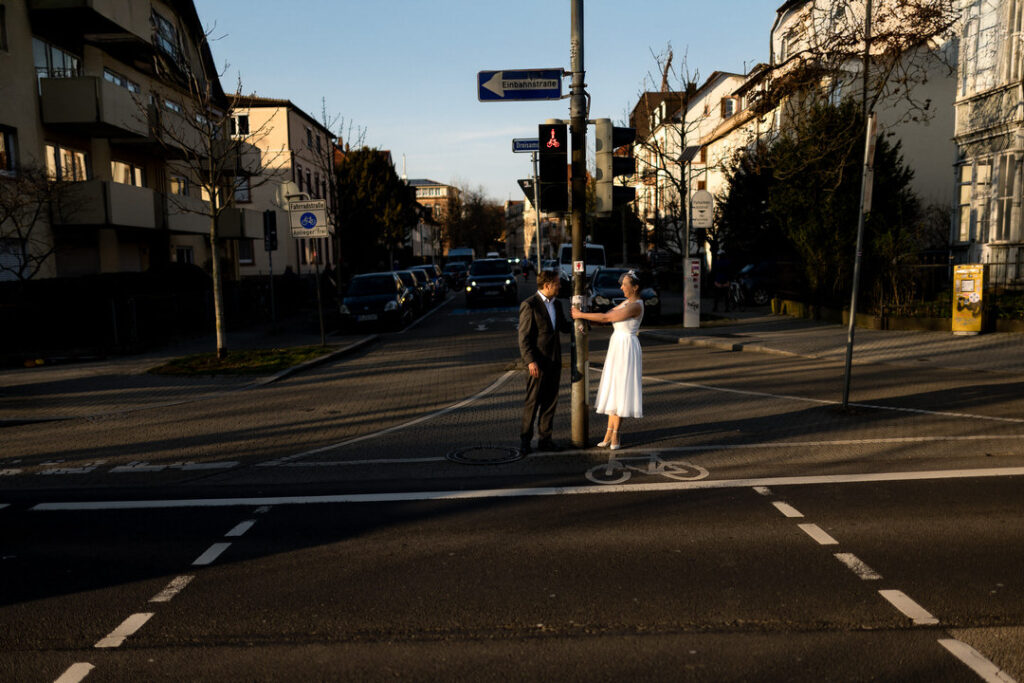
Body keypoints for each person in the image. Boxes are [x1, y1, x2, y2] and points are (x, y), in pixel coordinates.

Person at [570, 270, 644, 450]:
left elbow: (607, 317)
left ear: (635, 288)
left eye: (624, 284)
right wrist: (588, 320)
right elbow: (606, 315)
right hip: (617, 345)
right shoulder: (627, 302)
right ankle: (609, 432)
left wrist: (580, 315)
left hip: (626, 346)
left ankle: (616, 434)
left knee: (621, 390)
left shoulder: (636, 306)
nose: (621, 287)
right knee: (613, 388)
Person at [518, 269, 572, 454]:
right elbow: (523, 337)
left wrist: (580, 322)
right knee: (532, 402)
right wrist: (530, 361)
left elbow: (563, 327)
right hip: (537, 364)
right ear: (547, 285)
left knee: (550, 402)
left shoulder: (556, 305)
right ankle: (525, 441)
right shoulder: (530, 305)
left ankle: (545, 439)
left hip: (554, 361)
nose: (559, 286)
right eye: (557, 283)